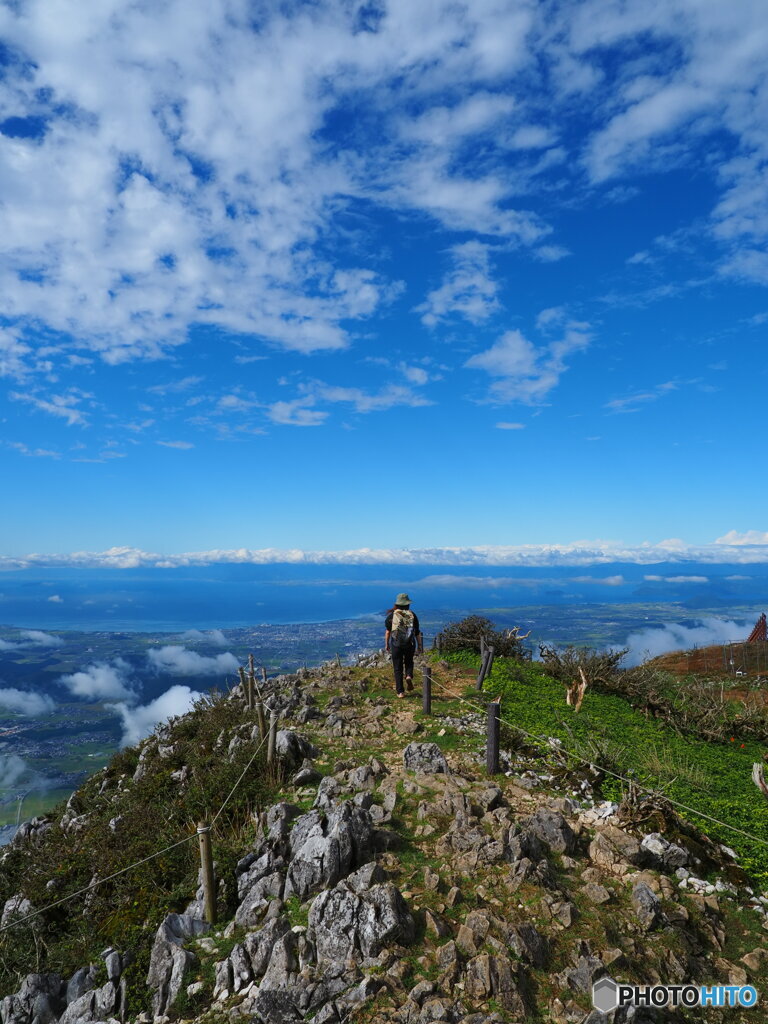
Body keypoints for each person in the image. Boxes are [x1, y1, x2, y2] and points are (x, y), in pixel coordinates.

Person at [385, 593, 422, 698]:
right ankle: (409, 675)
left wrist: (387, 644)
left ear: (397, 604)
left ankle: (400, 692)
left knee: (397, 668)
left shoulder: (391, 617)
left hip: (396, 645)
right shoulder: (412, 615)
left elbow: (388, 632)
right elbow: (417, 632)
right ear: (408, 604)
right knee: (409, 661)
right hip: (409, 644)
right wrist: (419, 645)